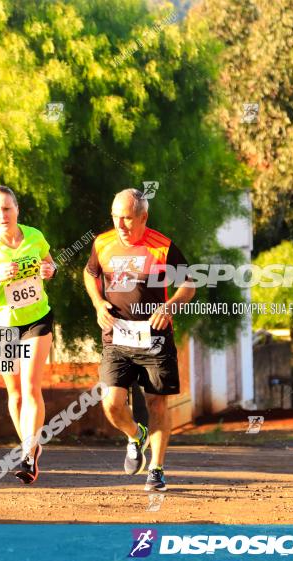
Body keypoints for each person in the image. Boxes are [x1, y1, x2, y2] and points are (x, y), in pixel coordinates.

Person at [84, 188, 195, 492]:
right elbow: (89, 273)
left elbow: (189, 283)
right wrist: (97, 304)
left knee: (157, 403)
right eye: (115, 218)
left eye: (128, 219)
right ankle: (136, 435)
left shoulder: (163, 247)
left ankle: (156, 470)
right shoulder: (102, 243)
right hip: (116, 337)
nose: (121, 225)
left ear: (144, 217)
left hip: (154, 339)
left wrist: (170, 306)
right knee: (111, 403)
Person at [0, 185, 57, 484]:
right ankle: (31, 445)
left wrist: (49, 271)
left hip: (36, 319)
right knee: (15, 395)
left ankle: (28, 457)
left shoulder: (34, 236)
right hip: (2, 326)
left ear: (17, 209)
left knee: (31, 388)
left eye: (7, 208)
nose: (2, 215)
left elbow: (50, 263)